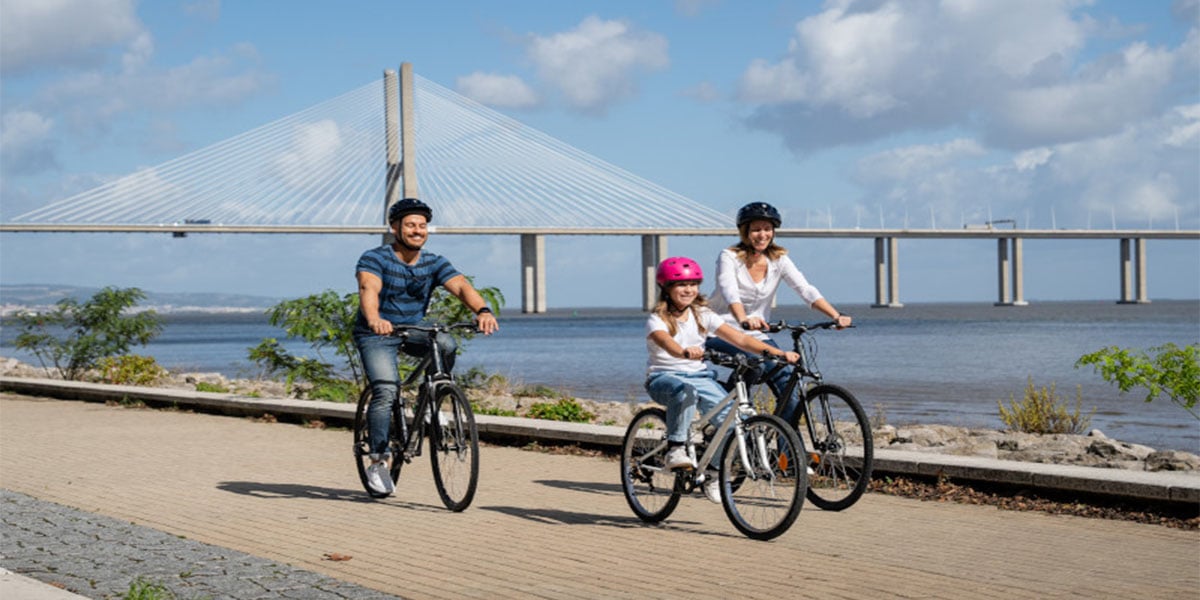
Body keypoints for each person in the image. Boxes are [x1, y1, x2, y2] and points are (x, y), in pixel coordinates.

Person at [354, 197, 499, 495]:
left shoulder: (434, 262)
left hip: (415, 329)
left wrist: (482, 311)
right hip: (377, 332)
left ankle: (431, 397)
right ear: (395, 228)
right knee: (385, 389)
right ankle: (379, 460)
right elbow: (369, 288)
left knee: (445, 342)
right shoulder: (374, 258)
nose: (417, 230)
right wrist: (375, 318)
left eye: (422, 225)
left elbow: (460, 286)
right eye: (410, 225)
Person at [644, 256, 799, 504]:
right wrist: (684, 352)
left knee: (733, 419)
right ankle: (675, 448)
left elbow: (740, 339)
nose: (688, 290)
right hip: (664, 377)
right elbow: (667, 342)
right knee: (685, 393)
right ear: (667, 288)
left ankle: (714, 473)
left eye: (693, 284)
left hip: (700, 377)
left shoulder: (703, 314)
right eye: (681, 285)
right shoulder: (657, 319)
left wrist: (777, 354)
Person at [706, 201, 851, 424]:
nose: (762, 235)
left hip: (755, 334)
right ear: (745, 232)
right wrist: (743, 319)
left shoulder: (778, 259)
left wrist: (835, 315)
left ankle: (787, 454)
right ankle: (724, 405)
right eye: (756, 229)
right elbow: (729, 292)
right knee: (756, 362)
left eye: (767, 229)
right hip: (721, 331)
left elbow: (805, 289)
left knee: (788, 383)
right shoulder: (729, 257)